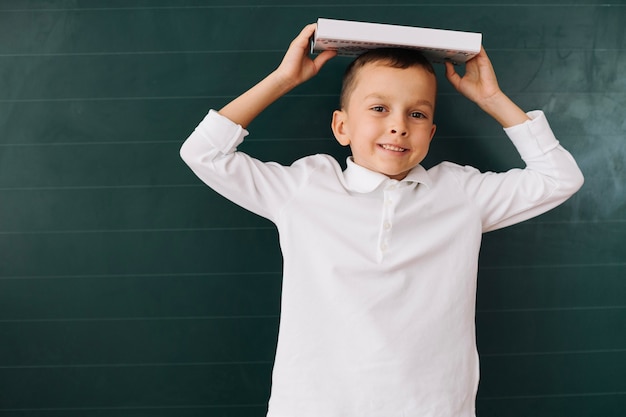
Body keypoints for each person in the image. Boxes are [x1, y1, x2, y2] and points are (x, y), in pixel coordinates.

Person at [180, 23, 583, 417]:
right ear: (342, 126)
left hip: (433, 407)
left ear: (431, 132)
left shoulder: (460, 194)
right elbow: (203, 153)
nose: (398, 125)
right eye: (378, 108)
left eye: (418, 114)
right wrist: (283, 80)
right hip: (314, 406)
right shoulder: (304, 189)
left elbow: (559, 178)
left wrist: (492, 98)